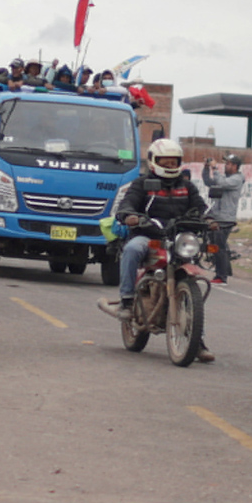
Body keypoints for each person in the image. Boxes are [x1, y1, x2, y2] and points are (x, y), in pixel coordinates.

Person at [99, 138, 214, 361]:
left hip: (176, 237)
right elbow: (127, 204)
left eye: (174, 162)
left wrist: (209, 219)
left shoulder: (186, 186)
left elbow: (200, 207)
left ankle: (196, 340)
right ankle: (127, 301)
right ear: (154, 162)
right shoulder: (142, 184)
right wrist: (130, 216)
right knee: (132, 249)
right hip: (148, 235)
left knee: (191, 276)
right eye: (166, 162)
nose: (170, 166)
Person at [203, 154, 245, 282]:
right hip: (216, 216)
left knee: (219, 247)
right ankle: (223, 270)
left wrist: (215, 168)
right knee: (214, 245)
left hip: (225, 219)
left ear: (235, 166)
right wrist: (206, 168)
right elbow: (208, 182)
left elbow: (221, 182)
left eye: (228, 164)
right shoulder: (224, 177)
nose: (225, 166)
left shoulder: (237, 179)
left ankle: (222, 276)